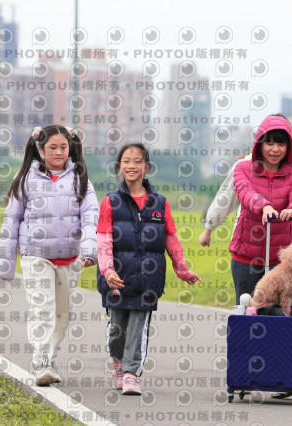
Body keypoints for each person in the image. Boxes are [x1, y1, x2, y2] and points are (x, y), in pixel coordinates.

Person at [0, 125, 98, 386]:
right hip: (36, 256)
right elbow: (11, 220)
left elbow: (90, 218)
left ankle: (49, 359)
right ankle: (41, 362)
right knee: (43, 310)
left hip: (69, 259)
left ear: (70, 148)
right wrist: (6, 264)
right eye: (52, 147)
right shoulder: (25, 178)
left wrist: (89, 251)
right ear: (41, 149)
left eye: (63, 147)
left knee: (62, 315)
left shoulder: (80, 179)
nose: (59, 152)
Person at [96, 143, 201, 396]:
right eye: (126, 161)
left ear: (147, 167)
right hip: (117, 278)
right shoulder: (110, 201)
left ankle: (131, 373)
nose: (131, 166)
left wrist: (182, 269)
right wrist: (108, 271)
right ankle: (118, 363)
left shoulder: (160, 203)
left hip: (148, 279)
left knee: (138, 328)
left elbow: (171, 238)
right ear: (119, 167)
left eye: (137, 161)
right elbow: (103, 239)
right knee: (117, 329)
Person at [226, 114, 292, 304]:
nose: (275, 149)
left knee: (279, 311)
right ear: (259, 144)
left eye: (281, 144)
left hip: (281, 260)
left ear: (289, 147)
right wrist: (264, 206)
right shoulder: (243, 168)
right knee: (246, 307)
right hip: (246, 256)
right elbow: (245, 192)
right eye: (269, 143)